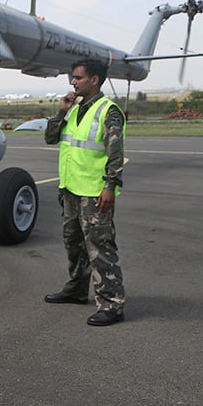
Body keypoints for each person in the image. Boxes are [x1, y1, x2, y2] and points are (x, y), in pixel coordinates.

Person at [43, 59, 126, 326]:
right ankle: (77, 290)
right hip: (70, 188)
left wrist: (109, 186)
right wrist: (60, 112)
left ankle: (112, 303)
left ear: (95, 80)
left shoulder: (108, 111)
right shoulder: (73, 107)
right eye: (72, 77)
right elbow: (51, 138)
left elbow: (115, 154)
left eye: (78, 77)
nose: (73, 82)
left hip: (93, 192)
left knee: (100, 248)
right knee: (74, 244)